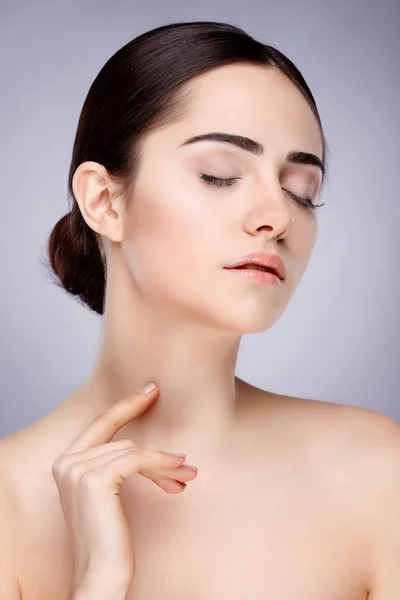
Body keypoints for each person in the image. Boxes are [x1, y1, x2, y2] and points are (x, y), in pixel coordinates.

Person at [0, 20, 398, 600]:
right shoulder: (6, 504)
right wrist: (99, 585)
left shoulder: (375, 470)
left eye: (302, 190)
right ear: (105, 201)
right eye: (221, 175)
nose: (277, 217)